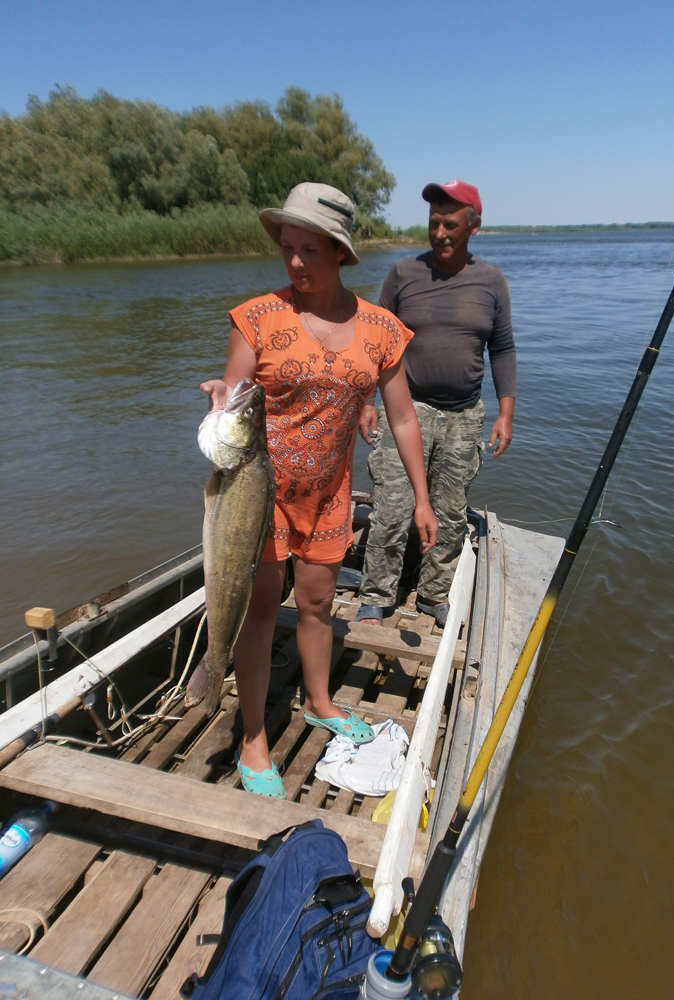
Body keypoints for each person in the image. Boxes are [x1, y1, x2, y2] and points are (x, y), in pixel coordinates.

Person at [200, 182, 438, 798]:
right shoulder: (256, 319)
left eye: (310, 249)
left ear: (340, 252)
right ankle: (254, 735)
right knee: (260, 611)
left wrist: (421, 498)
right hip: (257, 497)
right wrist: (219, 403)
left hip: (329, 494)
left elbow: (402, 418)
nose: (296, 261)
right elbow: (231, 406)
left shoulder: (381, 330)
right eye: (288, 247)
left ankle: (319, 701)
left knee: (316, 605)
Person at [357, 180, 516, 628]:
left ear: (474, 227)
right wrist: (367, 401)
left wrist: (506, 412)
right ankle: (376, 594)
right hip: (404, 410)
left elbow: (503, 348)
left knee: (449, 510)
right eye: (434, 223)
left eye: (451, 224)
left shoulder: (492, 282)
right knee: (392, 504)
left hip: (464, 415)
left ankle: (433, 593)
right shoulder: (403, 274)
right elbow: (375, 343)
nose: (440, 233)